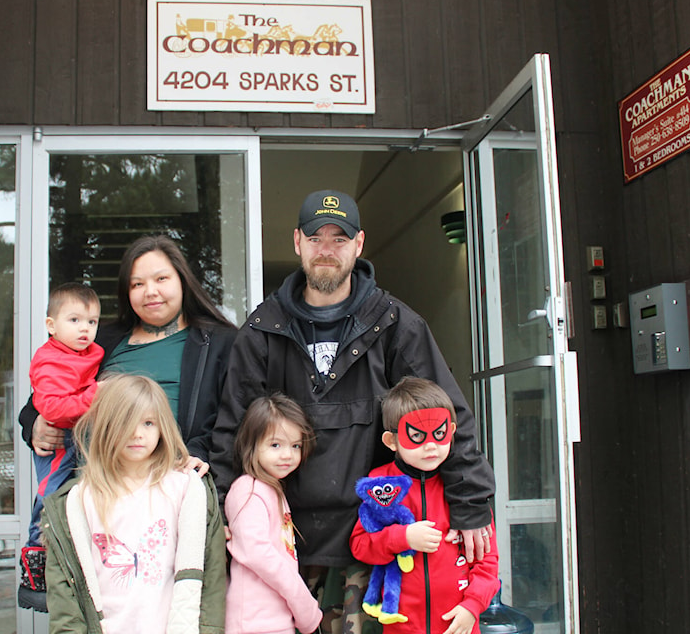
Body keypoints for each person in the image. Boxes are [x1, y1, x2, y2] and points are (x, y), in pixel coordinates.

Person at [208, 189, 495, 632]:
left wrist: (471, 503)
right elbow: (232, 430)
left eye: (339, 239)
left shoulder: (397, 324)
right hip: (283, 542)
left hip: (376, 543)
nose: (327, 249)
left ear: (359, 244)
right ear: (297, 243)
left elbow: (445, 415)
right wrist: (222, 516)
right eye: (316, 237)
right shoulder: (262, 331)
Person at [18, 235, 237, 611]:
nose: (150, 291)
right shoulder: (101, 340)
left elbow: (235, 414)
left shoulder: (218, 342)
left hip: (168, 501)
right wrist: (34, 422)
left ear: (182, 280)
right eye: (137, 284)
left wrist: (201, 451)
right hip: (98, 500)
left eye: (161, 279)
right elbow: (47, 390)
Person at [42, 373, 227, 633]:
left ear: (163, 426)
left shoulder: (183, 488)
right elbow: (66, 603)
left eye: (148, 423)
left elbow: (211, 581)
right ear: (105, 426)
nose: (137, 434)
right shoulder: (79, 501)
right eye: (125, 423)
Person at [349, 377, 499, 634]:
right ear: (391, 441)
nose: (430, 446)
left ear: (452, 431)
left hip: (458, 624)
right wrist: (402, 537)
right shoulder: (380, 485)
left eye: (439, 434)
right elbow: (361, 545)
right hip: (401, 626)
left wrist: (472, 606)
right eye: (416, 436)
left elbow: (487, 559)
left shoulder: (465, 490)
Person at [19, 283, 104, 605]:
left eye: (92, 321)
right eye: (74, 320)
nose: (85, 328)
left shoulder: (87, 352)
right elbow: (52, 409)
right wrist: (96, 394)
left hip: (81, 436)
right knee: (50, 496)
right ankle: (35, 562)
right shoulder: (51, 359)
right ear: (51, 326)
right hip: (59, 441)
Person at [224, 394, 323, 634]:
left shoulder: (270, 490)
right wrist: (305, 606)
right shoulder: (248, 490)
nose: (287, 455)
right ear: (252, 445)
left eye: (295, 445)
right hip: (255, 623)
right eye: (275, 445)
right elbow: (260, 555)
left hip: (273, 620)